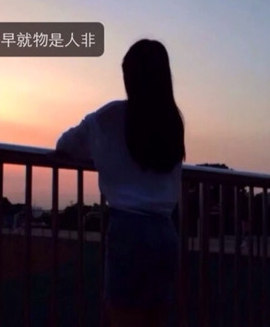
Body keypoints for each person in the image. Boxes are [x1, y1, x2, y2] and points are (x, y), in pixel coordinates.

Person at [55, 39, 186, 327]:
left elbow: (64, 144)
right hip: (166, 233)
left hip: (129, 231)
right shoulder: (173, 122)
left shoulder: (108, 117)